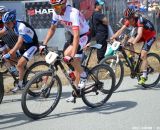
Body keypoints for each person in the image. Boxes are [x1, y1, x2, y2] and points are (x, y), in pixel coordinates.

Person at [39, 0, 91, 102]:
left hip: (84, 35)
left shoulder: (72, 13)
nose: (55, 9)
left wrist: (72, 55)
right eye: (53, 6)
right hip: (73, 35)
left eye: (57, 6)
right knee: (66, 57)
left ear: (63, 5)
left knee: (72, 56)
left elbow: (77, 35)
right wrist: (44, 44)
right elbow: (52, 29)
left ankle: (83, 75)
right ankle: (77, 74)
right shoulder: (56, 12)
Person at [111, 8, 156, 85]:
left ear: (133, 16)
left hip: (150, 36)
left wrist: (133, 43)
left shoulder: (140, 20)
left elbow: (139, 34)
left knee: (143, 55)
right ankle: (134, 61)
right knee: (129, 41)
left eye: (130, 18)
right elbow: (120, 30)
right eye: (127, 18)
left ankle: (144, 76)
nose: (129, 20)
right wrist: (112, 37)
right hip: (142, 35)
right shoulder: (128, 21)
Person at [0, 10, 39, 92]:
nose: (5, 25)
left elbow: (19, 42)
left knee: (19, 64)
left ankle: (20, 84)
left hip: (32, 45)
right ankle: (23, 72)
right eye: (4, 23)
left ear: (13, 21)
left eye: (7, 23)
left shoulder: (21, 26)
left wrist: (10, 53)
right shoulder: (10, 25)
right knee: (11, 60)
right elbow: (2, 33)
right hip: (24, 45)